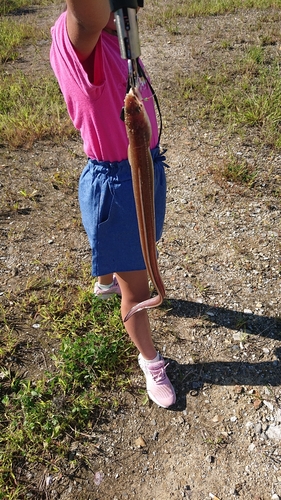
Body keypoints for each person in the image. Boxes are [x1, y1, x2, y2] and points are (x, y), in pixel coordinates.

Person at [50, 0, 176, 408]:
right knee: (136, 285)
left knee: (134, 247)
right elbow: (89, 13)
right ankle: (149, 360)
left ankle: (106, 276)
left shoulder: (114, 36)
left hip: (144, 168)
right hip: (118, 181)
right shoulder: (80, 36)